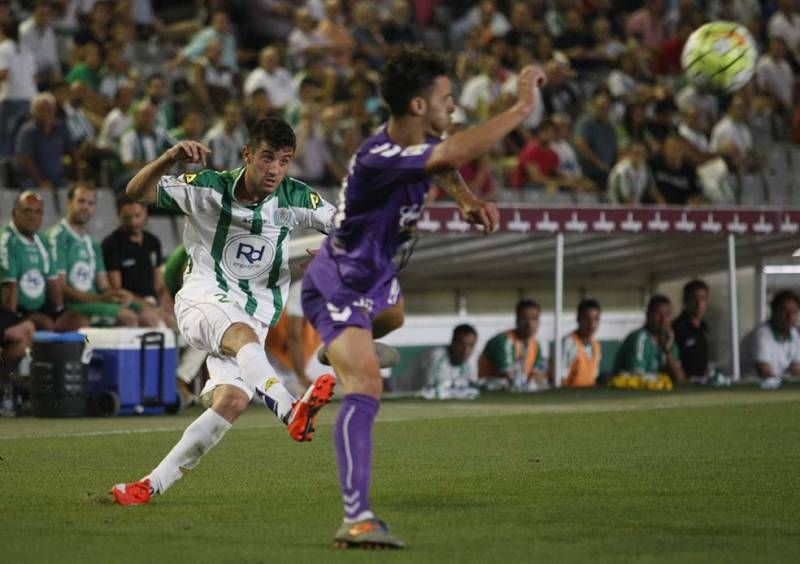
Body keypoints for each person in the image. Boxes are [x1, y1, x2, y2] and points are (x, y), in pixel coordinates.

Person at [301, 48, 541, 548]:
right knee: (366, 386)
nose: (452, 108)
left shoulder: (419, 147)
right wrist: (520, 109)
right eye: (446, 99)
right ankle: (357, 517)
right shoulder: (377, 156)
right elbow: (450, 155)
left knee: (395, 316)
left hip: (378, 275)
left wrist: (467, 200)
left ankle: (337, 346)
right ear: (416, 105)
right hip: (340, 278)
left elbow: (441, 165)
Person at [111, 117, 338, 507]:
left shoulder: (296, 198)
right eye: (267, 158)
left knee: (232, 400)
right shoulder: (209, 188)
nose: (274, 170)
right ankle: (289, 409)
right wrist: (169, 158)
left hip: (256, 317)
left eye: (284, 161)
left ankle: (150, 485)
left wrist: (339, 252)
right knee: (241, 336)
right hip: (203, 298)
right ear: (248, 154)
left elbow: (344, 225)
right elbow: (136, 192)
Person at [47, 183, 137, 328]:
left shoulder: (93, 243)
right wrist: (99, 298)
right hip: (73, 306)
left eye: (91, 203)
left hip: (94, 302)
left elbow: (103, 285)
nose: (86, 207)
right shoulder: (58, 237)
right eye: (81, 201)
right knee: (128, 318)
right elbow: (60, 287)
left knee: (143, 314)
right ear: (69, 203)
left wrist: (115, 296)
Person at [0, 190, 85, 332]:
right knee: (45, 324)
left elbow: (53, 283)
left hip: (39, 309)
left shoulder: (43, 241)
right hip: (14, 311)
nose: (33, 216)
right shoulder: (6, 241)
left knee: (78, 321)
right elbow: (9, 288)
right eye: (27, 211)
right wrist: (13, 322)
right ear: (15, 213)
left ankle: (72, 354)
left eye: (38, 212)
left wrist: (60, 311)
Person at [101, 193, 174, 328]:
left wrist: (165, 305)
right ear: (118, 215)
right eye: (127, 218)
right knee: (153, 320)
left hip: (153, 303)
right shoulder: (111, 244)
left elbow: (160, 284)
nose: (134, 222)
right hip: (131, 304)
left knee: (178, 320)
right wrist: (148, 306)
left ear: (145, 212)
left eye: (137, 216)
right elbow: (117, 290)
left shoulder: (153, 242)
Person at [478, 299, 549, 392]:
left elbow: (538, 375)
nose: (529, 324)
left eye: (534, 318)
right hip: (492, 390)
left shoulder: (536, 345)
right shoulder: (504, 341)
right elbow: (508, 376)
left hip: (520, 389)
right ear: (517, 320)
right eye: (524, 318)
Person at [614, 294, 686, 383]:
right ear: (648, 315)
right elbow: (636, 376)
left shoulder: (669, 341)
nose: (663, 319)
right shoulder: (639, 338)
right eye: (658, 314)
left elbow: (679, 379)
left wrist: (667, 351)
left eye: (667, 314)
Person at [740, 290, 800, 389]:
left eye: (794, 312)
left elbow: (797, 369)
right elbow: (765, 372)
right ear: (774, 311)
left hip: (774, 386)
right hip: (747, 387)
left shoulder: (794, 335)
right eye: (785, 311)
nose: (790, 317)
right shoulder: (762, 334)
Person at [419, 323, 480, 400]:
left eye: (471, 345)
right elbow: (431, 391)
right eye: (461, 344)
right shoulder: (436, 356)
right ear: (453, 342)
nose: (466, 351)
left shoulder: (471, 359)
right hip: (404, 393)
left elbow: (472, 389)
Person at [558, 299, 601, 388]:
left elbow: (594, 378)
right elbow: (560, 379)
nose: (591, 324)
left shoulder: (596, 345)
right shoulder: (569, 343)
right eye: (587, 319)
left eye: (596, 319)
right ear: (578, 319)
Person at [672, 279, 710, 379]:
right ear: (685, 301)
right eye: (694, 299)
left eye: (703, 299)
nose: (699, 304)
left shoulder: (704, 328)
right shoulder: (676, 328)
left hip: (702, 384)